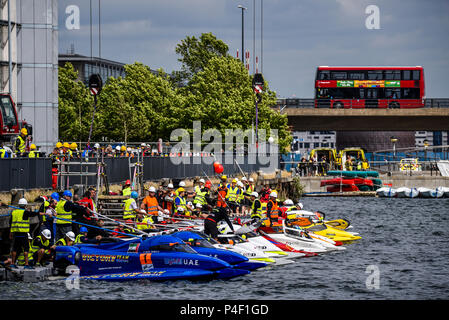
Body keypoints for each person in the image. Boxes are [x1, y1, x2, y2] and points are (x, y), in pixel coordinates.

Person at [9, 198, 40, 269]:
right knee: (26, 249)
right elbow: (33, 214)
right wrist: (39, 213)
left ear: (19, 205)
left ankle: (12, 263)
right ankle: (26, 264)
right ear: (25, 205)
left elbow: (10, 223)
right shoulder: (25, 212)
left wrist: (10, 232)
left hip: (16, 234)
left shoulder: (14, 212)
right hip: (23, 234)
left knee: (14, 249)